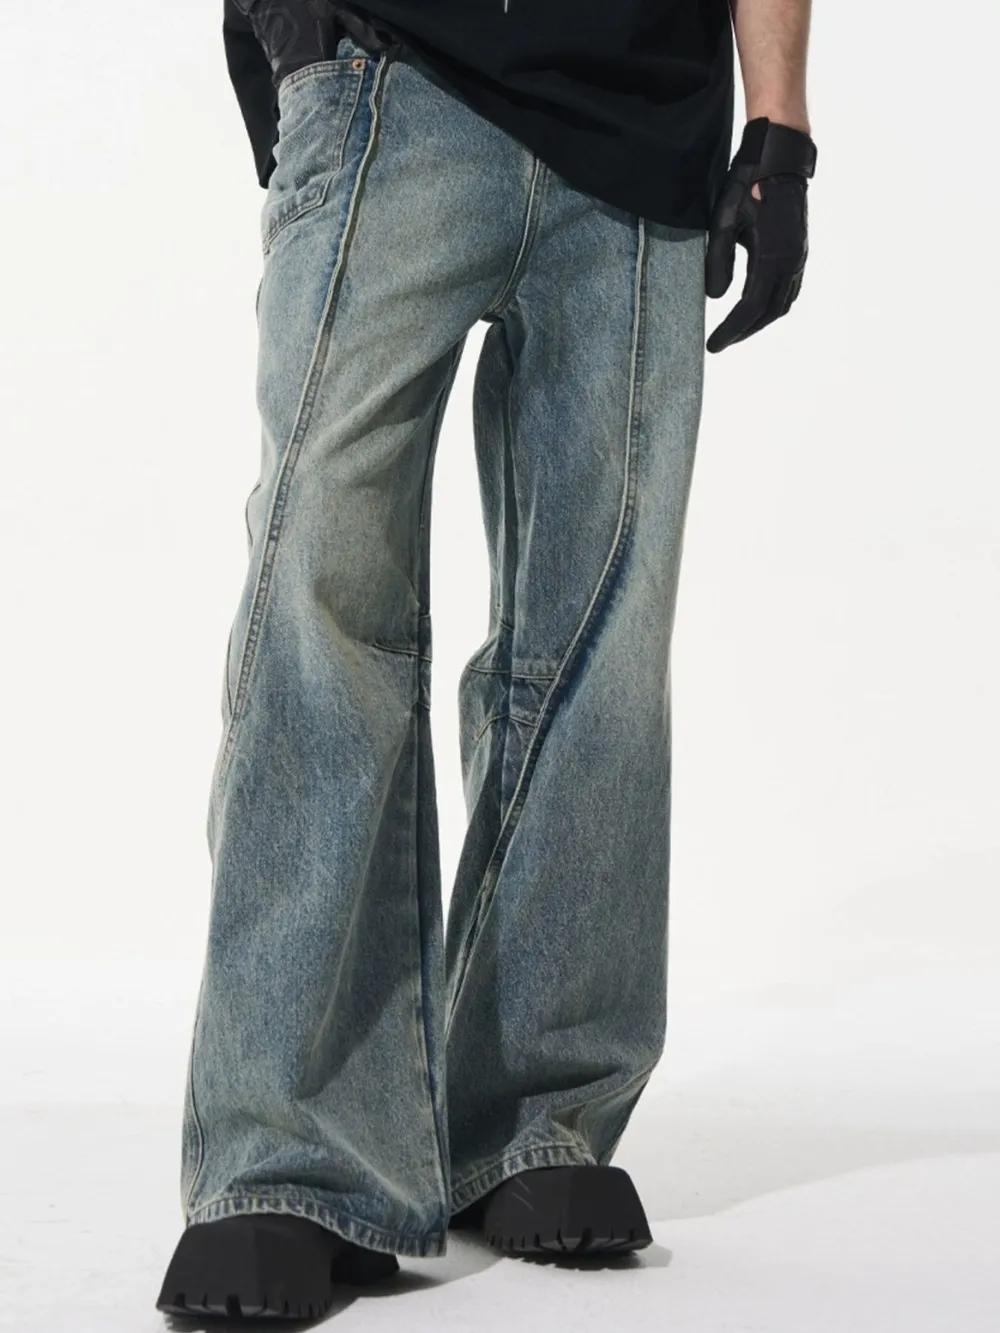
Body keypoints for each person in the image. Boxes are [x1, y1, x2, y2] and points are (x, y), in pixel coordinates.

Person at [156, 0, 816, 1319]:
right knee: (322, 599)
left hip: (647, 128)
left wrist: (781, 128)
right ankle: (287, 1157)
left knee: (598, 642)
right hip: (392, 75)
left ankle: (535, 1119)